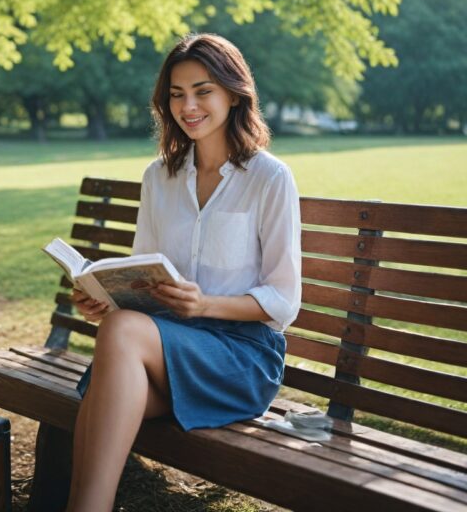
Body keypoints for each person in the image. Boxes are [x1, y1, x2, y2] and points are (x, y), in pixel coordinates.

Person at [67, 33, 302, 512]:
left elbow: (283, 300)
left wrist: (206, 305)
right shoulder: (160, 176)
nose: (188, 106)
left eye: (202, 91)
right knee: (119, 339)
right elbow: (140, 276)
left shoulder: (269, 178)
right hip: (162, 347)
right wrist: (105, 299)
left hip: (241, 356)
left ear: (234, 94)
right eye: (177, 94)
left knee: (121, 342)